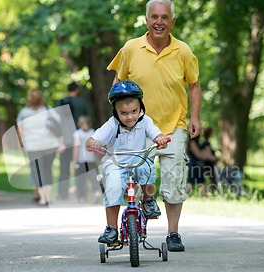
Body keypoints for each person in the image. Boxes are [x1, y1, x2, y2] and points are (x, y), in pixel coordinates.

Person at [107, 0, 202, 251]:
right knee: (136, 179)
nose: (159, 22)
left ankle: (173, 233)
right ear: (147, 20)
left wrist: (195, 117)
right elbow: (118, 83)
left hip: (173, 127)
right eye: (154, 17)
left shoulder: (183, 51)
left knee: (174, 181)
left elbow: (193, 85)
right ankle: (134, 227)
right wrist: (116, 118)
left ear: (172, 22)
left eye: (164, 17)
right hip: (136, 129)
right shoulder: (130, 48)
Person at [86, 81, 168, 244]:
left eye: (134, 111)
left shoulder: (145, 121)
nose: (130, 117)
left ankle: (148, 201)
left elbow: (155, 133)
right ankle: (111, 228)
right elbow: (95, 138)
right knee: (114, 187)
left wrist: (160, 138)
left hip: (138, 159)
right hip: (115, 162)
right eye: (123, 113)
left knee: (148, 169)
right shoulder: (112, 124)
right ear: (115, 111)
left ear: (140, 108)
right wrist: (92, 142)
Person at [16, 89, 65, 206]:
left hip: (32, 146)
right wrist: (61, 143)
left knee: (37, 172)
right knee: (48, 170)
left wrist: (21, 143)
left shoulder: (23, 112)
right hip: (50, 145)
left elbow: (20, 129)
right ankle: (48, 196)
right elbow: (58, 126)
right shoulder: (48, 110)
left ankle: (43, 198)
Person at [55, 82, 92, 200]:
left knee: (64, 169)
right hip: (80, 141)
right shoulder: (82, 103)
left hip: (65, 141)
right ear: (77, 90)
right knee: (81, 168)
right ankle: (81, 194)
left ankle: (62, 194)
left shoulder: (60, 103)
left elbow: (55, 123)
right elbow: (90, 118)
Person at [72, 115, 100, 204]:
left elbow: (76, 148)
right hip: (91, 160)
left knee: (80, 180)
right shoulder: (93, 132)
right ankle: (96, 193)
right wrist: (97, 158)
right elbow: (96, 147)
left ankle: (81, 197)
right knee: (93, 178)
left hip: (81, 160)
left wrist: (74, 160)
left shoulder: (77, 133)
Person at [186, 127, 219, 196]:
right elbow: (199, 155)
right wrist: (209, 157)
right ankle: (203, 196)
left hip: (197, 165)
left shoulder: (195, 143)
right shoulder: (192, 143)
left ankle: (186, 195)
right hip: (194, 165)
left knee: (197, 182)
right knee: (195, 182)